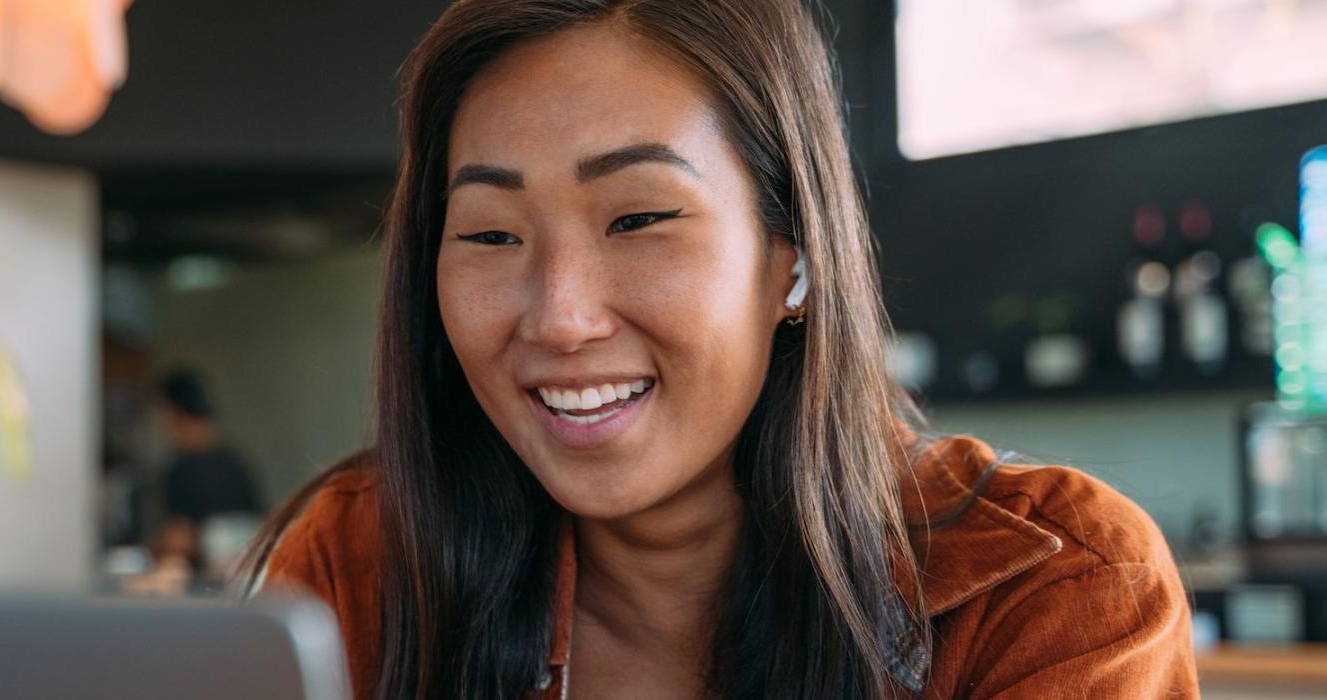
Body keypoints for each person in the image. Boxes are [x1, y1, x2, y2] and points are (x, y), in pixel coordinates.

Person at [243, 1, 1197, 698]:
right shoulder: (358, 567)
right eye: (491, 234)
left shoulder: (1054, 589)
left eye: (640, 218)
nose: (560, 319)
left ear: (793, 256)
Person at [150, 369, 262, 581]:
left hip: (203, 589)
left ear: (169, 412)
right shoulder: (238, 465)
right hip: (243, 588)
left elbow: (179, 541)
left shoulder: (183, 470)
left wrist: (150, 549)